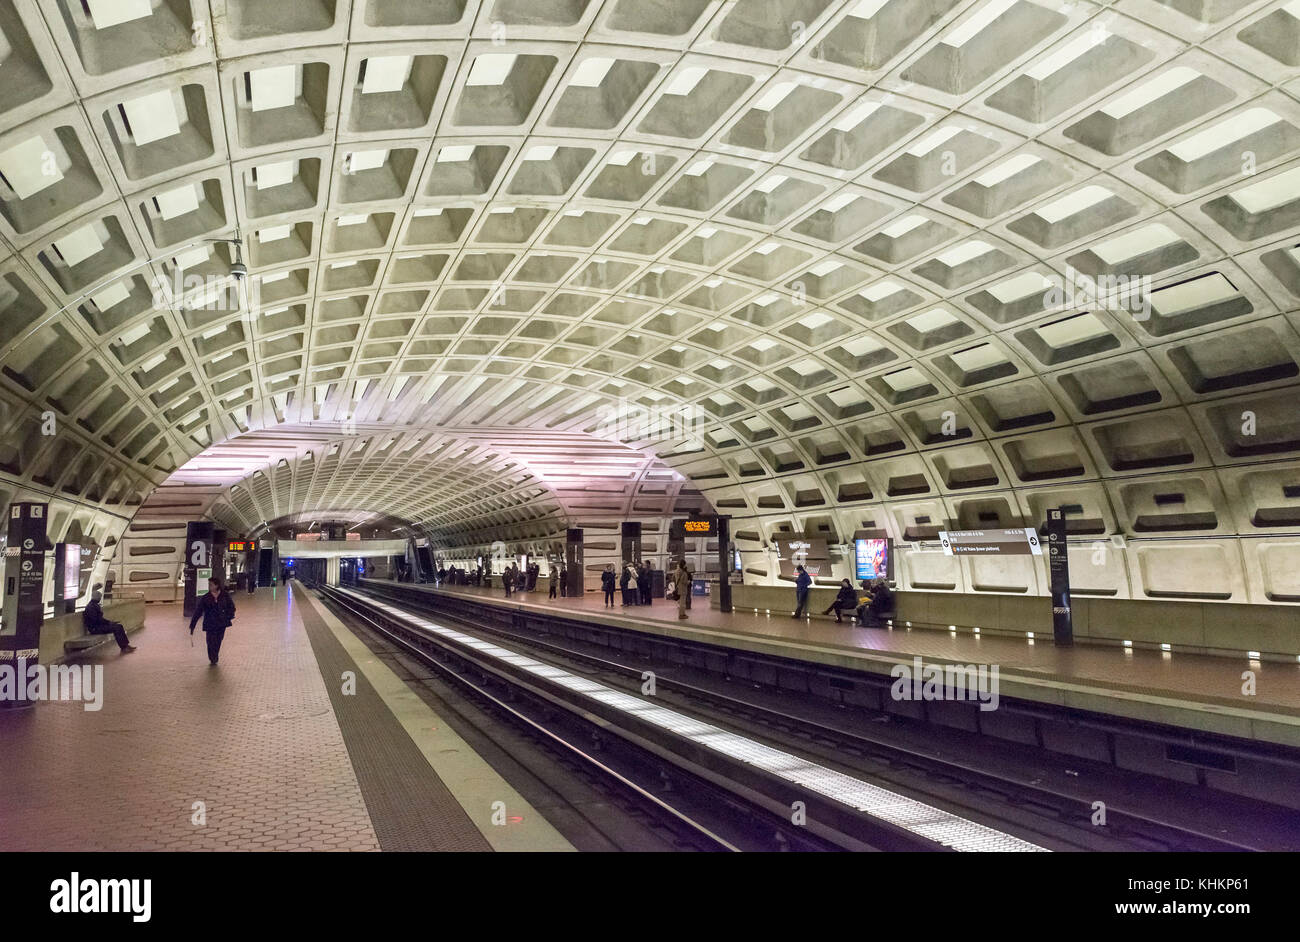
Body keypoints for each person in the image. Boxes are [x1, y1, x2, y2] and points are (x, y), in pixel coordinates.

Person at [188, 576, 235, 666]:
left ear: (216, 585)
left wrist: (228, 617)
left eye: (211, 585)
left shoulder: (225, 595)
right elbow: (198, 611)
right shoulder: (206, 597)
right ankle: (212, 658)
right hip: (210, 623)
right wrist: (193, 624)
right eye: (209, 585)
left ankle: (215, 655)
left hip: (221, 624)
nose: (209, 586)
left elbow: (231, 607)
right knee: (210, 641)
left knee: (218, 640)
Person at [83, 587, 136, 653]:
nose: (100, 599)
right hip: (95, 628)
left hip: (98, 626)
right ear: (97, 597)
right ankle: (123, 647)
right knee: (116, 628)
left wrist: (109, 623)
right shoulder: (91, 607)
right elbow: (96, 620)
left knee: (119, 626)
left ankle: (125, 645)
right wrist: (108, 623)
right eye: (99, 597)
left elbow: (99, 619)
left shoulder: (93, 605)